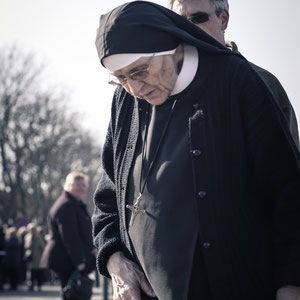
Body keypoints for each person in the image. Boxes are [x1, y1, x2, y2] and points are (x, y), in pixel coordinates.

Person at [92, 1, 300, 300]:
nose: (134, 88)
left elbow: (289, 195)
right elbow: (107, 200)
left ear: (169, 44)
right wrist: (114, 260)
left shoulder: (237, 81)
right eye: (121, 79)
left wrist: (291, 285)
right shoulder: (124, 101)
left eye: (139, 71)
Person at [168, 0, 299, 147]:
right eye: (180, 21)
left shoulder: (262, 83)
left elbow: (286, 165)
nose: (188, 28)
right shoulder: (156, 88)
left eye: (198, 18)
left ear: (223, 19)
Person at [40, 172, 96, 299]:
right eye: (77, 185)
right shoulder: (66, 206)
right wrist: (79, 261)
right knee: (73, 294)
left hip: (70, 260)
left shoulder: (73, 203)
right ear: (67, 186)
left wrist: (92, 248)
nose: (81, 188)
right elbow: (70, 238)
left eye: (83, 185)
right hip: (67, 260)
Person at [24, 223, 45, 291]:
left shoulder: (38, 237)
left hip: (37, 258)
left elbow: (43, 247)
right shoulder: (27, 237)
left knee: (38, 273)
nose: (32, 231)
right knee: (31, 273)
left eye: (33, 229)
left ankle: (39, 285)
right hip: (30, 258)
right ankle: (31, 285)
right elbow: (25, 246)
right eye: (31, 229)